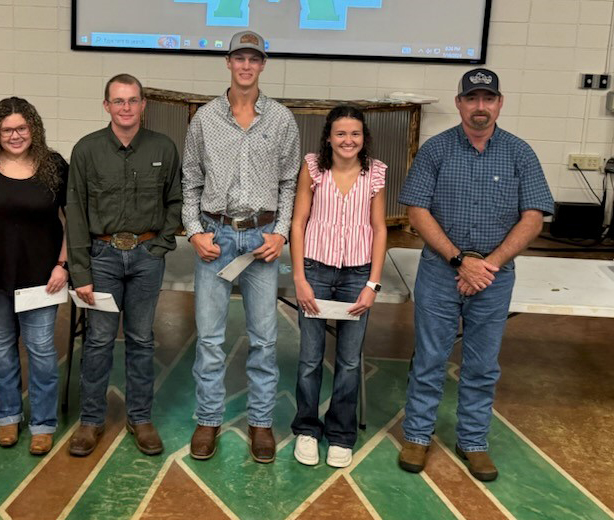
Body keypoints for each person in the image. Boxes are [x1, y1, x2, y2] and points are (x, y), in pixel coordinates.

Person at [397, 69, 554, 481]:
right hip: (440, 271)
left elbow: (533, 218)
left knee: (482, 365)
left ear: (499, 103)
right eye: (472, 99)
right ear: (459, 103)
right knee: (429, 359)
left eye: (488, 99)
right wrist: (458, 261)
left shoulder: (520, 153)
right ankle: (417, 435)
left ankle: (474, 442)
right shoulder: (436, 151)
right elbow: (417, 211)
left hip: (494, 276)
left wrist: (489, 265)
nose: (480, 107)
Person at [182, 30, 301, 463]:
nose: (246, 66)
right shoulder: (205, 119)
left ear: (263, 65)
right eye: (239, 58)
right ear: (228, 63)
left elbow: (290, 182)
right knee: (210, 339)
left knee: (265, 340)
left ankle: (261, 423)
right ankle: (208, 419)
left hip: (260, 241)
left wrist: (281, 233)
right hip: (215, 236)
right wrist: (194, 230)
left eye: (254, 59)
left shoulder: (282, 120)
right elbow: (190, 179)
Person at [65, 74, 182, 457]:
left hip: (146, 258)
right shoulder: (86, 151)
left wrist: (161, 246)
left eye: (133, 100)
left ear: (144, 104)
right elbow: (77, 213)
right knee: (98, 340)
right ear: (106, 106)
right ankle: (91, 420)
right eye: (118, 101)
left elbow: (175, 202)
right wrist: (80, 271)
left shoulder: (163, 148)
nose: (126, 108)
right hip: (102, 259)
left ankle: (140, 418)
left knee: (141, 339)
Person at [0, 97, 69, 456]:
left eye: (22, 128)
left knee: (40, 349)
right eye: (7, 129)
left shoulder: (53, 165)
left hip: (42, 276)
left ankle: (42, 423)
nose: (15, 135)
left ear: (33, 128)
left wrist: (63, 265)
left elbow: (74, 220)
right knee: (1, 345)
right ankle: (7, 416)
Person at [290, 106, 387, 468]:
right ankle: (306, 429)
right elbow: (298, 223)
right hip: (315, 271)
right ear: (329, 136)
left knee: (348, 361)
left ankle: (342, 435)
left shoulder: (375, 173)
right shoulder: (313, 167)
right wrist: (300, 279)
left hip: (356, 275)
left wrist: (372, 285)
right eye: (341, 133)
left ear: (364, 138)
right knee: (309, 359)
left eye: (356, 134)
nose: (349, 140)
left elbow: (379, 229)